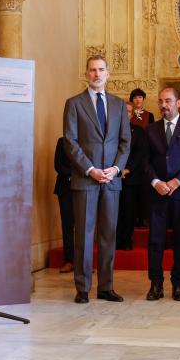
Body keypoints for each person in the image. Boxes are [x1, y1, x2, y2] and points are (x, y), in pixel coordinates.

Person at [63, 55, 131, 304]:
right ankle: (82, 288)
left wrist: (115, 169)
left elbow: (125, 141)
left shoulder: (118, 104)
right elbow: (70, 142)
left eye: (101, 70)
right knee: (83, 234)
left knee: (108, 235)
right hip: (86, 179)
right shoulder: (74, 103)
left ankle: (106, 286)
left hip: (112, 180)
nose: (97, 74)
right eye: (92, 70)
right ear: (86, 73)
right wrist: (90, 169)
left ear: (108, 73)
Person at [145, 88, 180, 301]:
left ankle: (178, 284)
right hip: (157, 192)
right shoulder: (151, 129)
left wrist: (177, 181)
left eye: (168, 101)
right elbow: (145, 161)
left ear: (178, 103)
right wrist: (156, 181)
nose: (164, 105)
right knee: (156, 240)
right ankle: (155, 284)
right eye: (160, 101)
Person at [116, 102, 149, 250]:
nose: (126, 113)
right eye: (124, 111)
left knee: (129, 211)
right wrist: (116, 169)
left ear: (132, 114)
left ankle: (126, 241)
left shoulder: (139, 131)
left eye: (129, 111)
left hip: (131, 178)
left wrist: (127, 169)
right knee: (114, 212)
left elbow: (140, 154)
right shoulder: (110, 130)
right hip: (113, 177)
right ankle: (114, 241)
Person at [53, 137, 74, 273]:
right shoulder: (62, 141)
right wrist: (72, 175)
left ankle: (83, 263)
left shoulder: (88, 139)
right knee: (67, 225)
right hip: (65, 187)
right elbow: (58, 165)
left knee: (83, 227)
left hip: (84, 188)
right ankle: (69, 261)